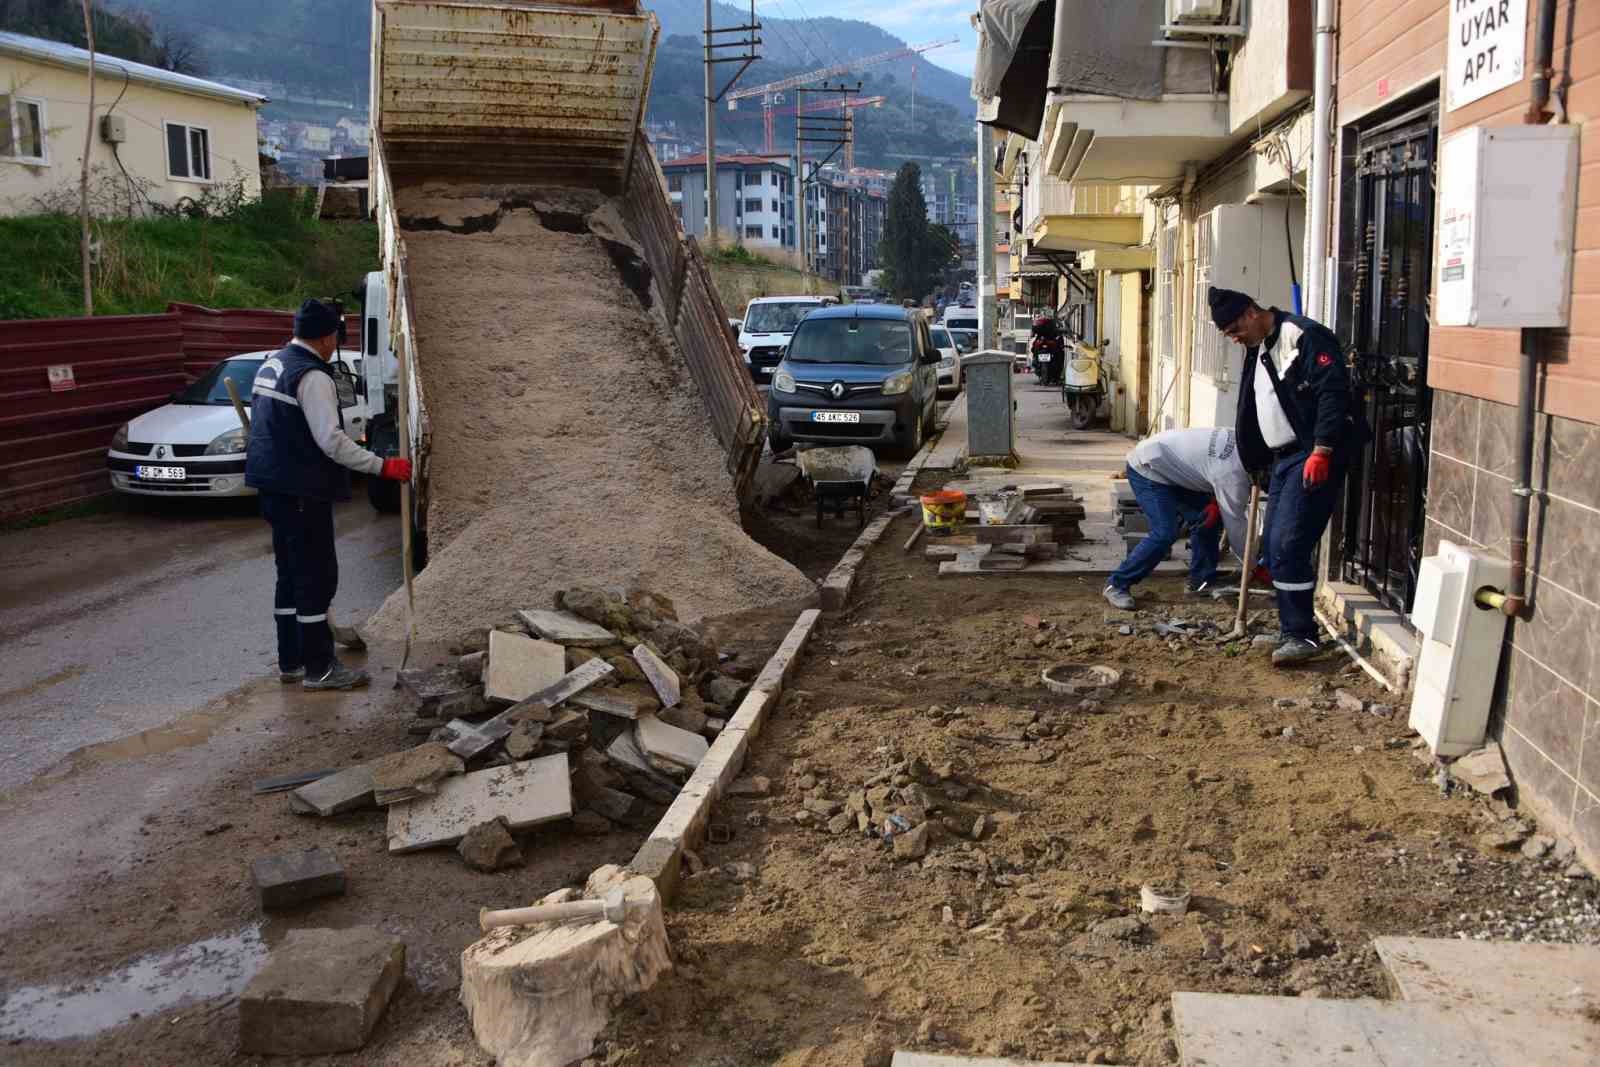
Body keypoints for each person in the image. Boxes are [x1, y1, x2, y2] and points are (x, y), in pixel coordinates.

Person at [245, 299, 412, 690]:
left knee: (289, 576)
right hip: (301, 489)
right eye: (336, 335)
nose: (336, 341)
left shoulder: (276, 363)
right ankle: (320, 668)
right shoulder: (312, 376)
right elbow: (331, 441)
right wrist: (382, 466)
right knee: (315, 579)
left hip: (273, 486)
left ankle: (292, 662)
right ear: (326, 337)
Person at [1207, 285, 1367, 666]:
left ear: (1250, 312)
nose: (1234, 338)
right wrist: (1257, 457)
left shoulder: (1303, 335)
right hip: (1282, 460)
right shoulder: (1259, 348)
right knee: (1274, 547)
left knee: (1288, 544)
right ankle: (1291, 628)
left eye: (1234, 329)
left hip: (1309, 454)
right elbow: (1255, 403)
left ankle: (1301, 636)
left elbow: (1333, 392)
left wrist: (1323, 448)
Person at [1103, 427, 1253, 609]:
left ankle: (1201, 582)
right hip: (1147, 468)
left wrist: (1214, 502)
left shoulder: (1242, 437)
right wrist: (1254, 565)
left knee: (1206, 519)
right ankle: (1116, 584)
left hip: (1173, 466)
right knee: (1165, 532)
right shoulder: (1231, 472)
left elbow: (1204, 465)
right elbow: (1236, 526)